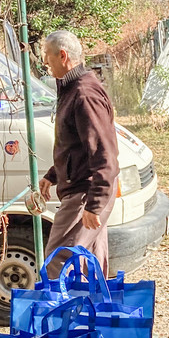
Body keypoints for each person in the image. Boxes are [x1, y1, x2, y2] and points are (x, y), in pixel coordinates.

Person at [38, 30, 118, 276]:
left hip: (86, 192)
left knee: (58, 264)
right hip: (85, 188)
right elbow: (77, 145)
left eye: (47, 58)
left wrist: (94, 204)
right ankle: (92, 314)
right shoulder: (72, 88)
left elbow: (105, 153)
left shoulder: (84, 94)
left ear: (63, 56)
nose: (45, 65)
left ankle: (64, 314)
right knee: (89, 265)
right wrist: (53, 175)